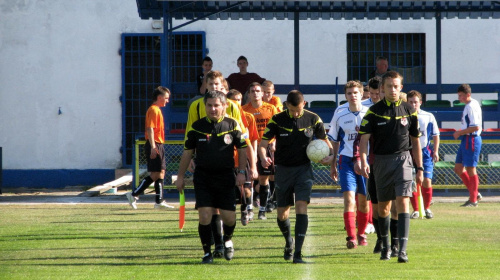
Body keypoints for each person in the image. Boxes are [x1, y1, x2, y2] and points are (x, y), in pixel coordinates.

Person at [185, 70, 255, 258]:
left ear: (224, 87)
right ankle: (216, 246)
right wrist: (191, 158)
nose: (214, 88)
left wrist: (248, 165)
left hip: (228, 163)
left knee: (227, 212)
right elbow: (190, 134)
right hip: (205, 163)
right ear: (205, 86)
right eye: (211, 85)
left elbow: (242, 136)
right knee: (209, 210)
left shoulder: (232, 107)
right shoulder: (196, 107)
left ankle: (225, 240)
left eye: (218, 85)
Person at [259, 90, 332, 264]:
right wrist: (263, 157)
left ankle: (298, 253)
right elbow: (263, 145)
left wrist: (330, 156)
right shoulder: (277, 120)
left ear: (304, 104)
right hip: (283, 171)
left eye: (298, 110)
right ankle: (289, 242)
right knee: (282, 214)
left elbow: (326, 142)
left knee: (301, 206)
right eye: (292, 110)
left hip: (303, 170)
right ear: (286, 106)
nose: (295, 113)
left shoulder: (313, 119)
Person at [176, 90, 248, 264]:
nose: (213, 109)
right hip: (203, 178)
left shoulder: (233, 125)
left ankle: (228, 239)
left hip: (226, 177)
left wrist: (242, 172)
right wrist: (179, 177)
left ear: (224, 106)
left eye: (216, 105)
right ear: (205, 106)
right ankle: (207, 252)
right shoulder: (196, 127)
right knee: (205, 215)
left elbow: (243, 149)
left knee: (229, 217)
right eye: (209, 105)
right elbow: (187, 153)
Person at [358, 71, 423, 263]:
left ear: (400, 87)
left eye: (396, 86)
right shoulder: (374, 111)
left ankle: (402, 249)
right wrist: (362, 160)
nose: (392, 90)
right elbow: (364, 141)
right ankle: (386, 246)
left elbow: (416, 142)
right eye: (389, 86)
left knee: (403, 202)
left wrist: (419, 169)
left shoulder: (410, 111)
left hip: (403, 160)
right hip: (381, 162)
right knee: (383, 208)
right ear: (382, 88)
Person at [323, 80, 370, 249]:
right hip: (346, 161)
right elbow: (334, 140)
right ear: (346, 95)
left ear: (362, 94)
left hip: (365, 161)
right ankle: (351, 237)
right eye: (349, 93)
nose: (352, 96)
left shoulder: (369, 112)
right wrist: (333, 163)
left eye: (355, 93)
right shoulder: (340, 112)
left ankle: (362, 232)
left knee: (364, 201)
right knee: (349, 199)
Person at [126, 86, 174, 210]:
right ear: (159, 97)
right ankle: (133, 194)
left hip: (158, 143)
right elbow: (150, 129)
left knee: (161, 172)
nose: (167, 101)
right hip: (155, 144)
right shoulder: (153, 110)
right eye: (166, 98)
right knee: (156, 173)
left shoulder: (157, 109)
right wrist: (153, 146)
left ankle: (159, 201)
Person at [242, 82, 278, 220]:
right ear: (249, 94)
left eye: (258, 90)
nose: (255, 93)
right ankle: (249, 208)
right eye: (252, 91)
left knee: (264, 179)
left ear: (262, 93)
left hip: (266, 147)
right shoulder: (244, 110)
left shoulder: (271, 108)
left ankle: (262, 209)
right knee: (249, 179)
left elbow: (277, 128)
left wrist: (274, 142)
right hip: (250, 146)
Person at [227, 89, 259, 225]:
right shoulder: (223, 120)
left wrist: (253, 164)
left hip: (241, 160)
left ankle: (246, 209)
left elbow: (250, 142)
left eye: (239, 100)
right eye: (234, 100)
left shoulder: (248, 117)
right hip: (227, 162)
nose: (237, 103)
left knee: (246, 190)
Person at [407, 90, 440, 219]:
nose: (413, 104)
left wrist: (436, 151)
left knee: (427, 180)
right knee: (412, 181)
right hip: (409, 151)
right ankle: (415, 209)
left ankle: (427, 208)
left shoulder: (428, 116)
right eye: (411, 102)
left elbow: (436, 135)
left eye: (416, 102)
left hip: (424, 152)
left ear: (420, 102)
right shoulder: (404, 116)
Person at [453, 84, 483, 207]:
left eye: (461, 96)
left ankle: (473, 199)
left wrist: (459, 132)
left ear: (468, 95)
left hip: (472, 139)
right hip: (466, 139)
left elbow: (475, 127)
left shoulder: (471, 106)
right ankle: (475, 192)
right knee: (458, 168)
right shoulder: (470, 104)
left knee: (471, 168)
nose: (459, 98)